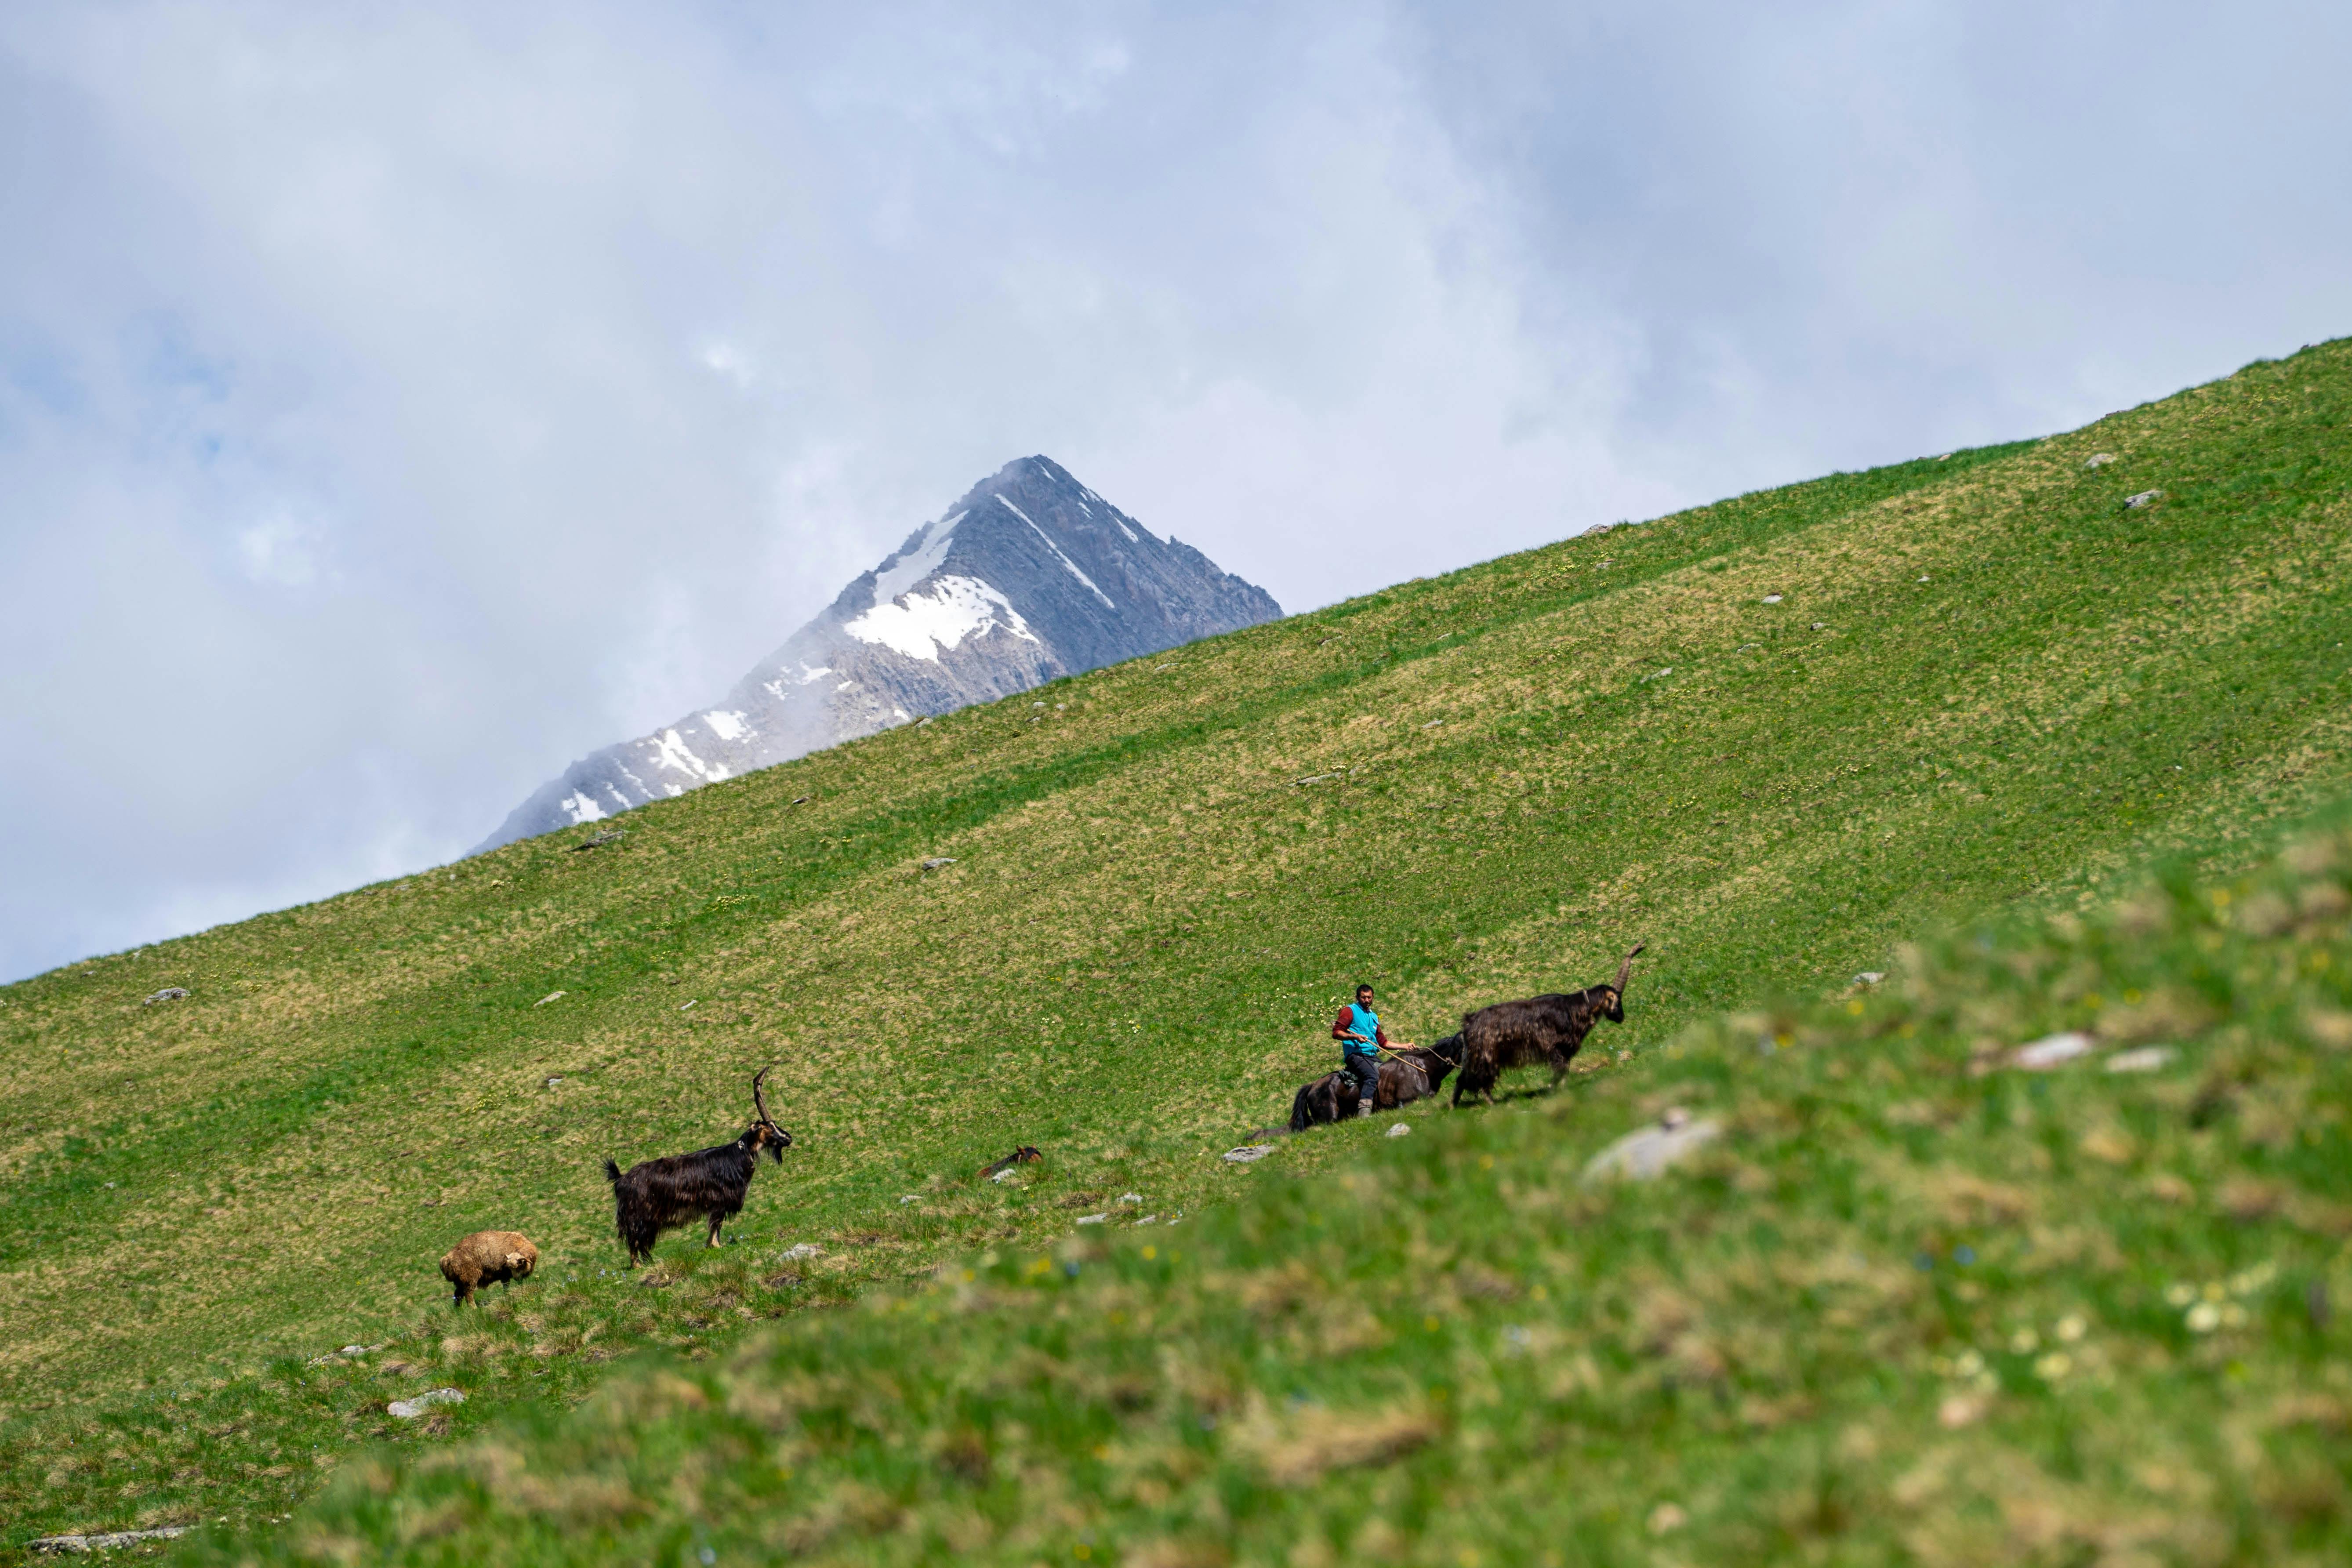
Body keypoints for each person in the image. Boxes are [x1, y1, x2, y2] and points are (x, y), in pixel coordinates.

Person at [1332, 983, 1388, 1116]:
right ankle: (1364, 1112)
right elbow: (1336, 1033)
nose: (1367, 1000)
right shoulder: (1349, 1010)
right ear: (1357, 997)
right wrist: (1354, 1036)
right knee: (1372, 1075)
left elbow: (1382, 1043)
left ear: (1373, 997)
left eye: (1369, 997)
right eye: (1363, 998)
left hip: (1372, 1055)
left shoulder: (1374, 1017)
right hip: (1356, 1055)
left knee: (1387, 1073)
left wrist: (1405, 1046)